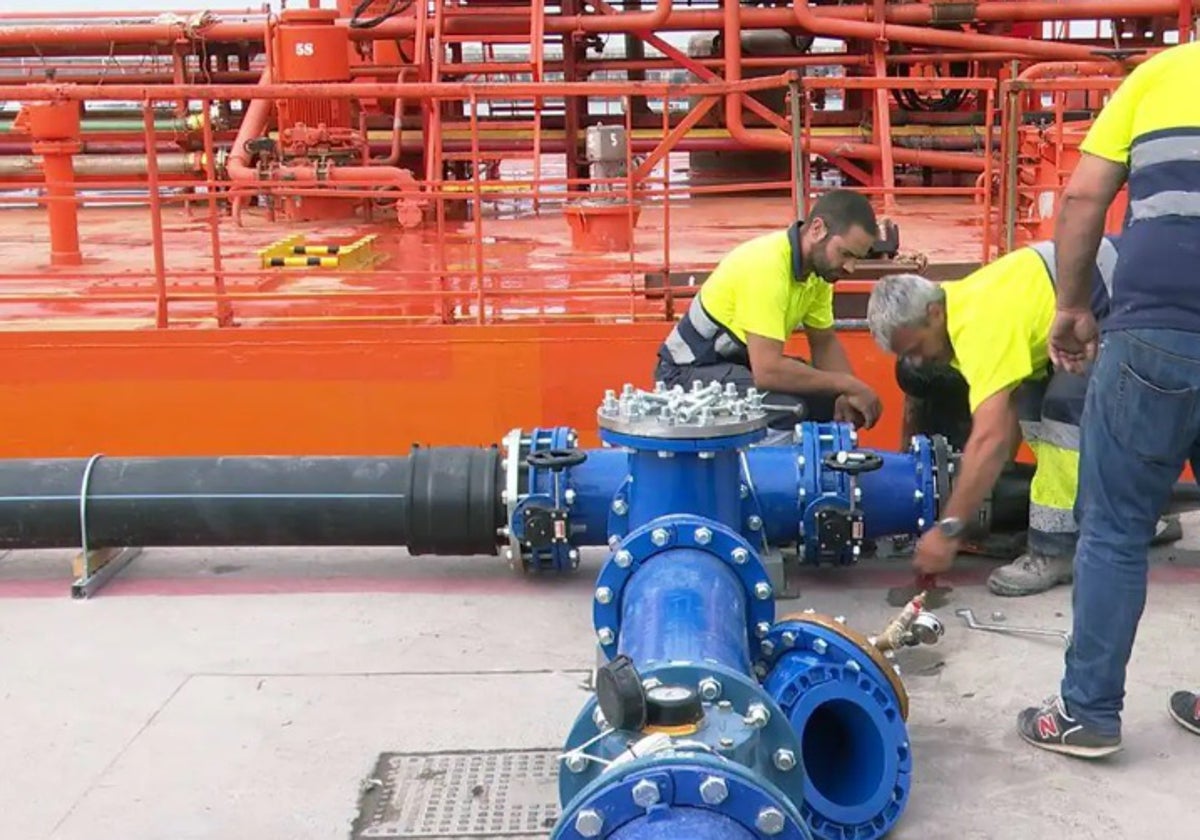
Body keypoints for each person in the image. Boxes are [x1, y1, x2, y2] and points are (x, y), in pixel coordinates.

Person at [1015, 40, 1200, 757]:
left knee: (1117, 528)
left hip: (1158, 326)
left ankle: (1088, 713)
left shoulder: (1160, 73)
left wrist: (1072, 306)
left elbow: (1085, 195)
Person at [866, 242, 1177, 597]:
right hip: (1094, 302)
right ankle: (1131, 521)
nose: (917, 362)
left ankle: (1055, 551)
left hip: (1131, 303)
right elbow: (1007, 419)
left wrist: (950, 529)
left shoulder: (979, 324)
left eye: (916, 349)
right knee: (1033, 406)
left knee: (1065, 414)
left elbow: (990, 438)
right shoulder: (959, 305)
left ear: (934, 313)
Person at [653, 189, 885, 435]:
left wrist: (846, 396)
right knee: (789, 409)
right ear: (817, 229)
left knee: (829, 402)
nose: (850, 267)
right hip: (685, 373)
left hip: (736, 366)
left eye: (856, 259)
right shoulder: (768, 266)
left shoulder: (817, 275)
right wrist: (847, 384)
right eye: (846, 254)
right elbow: (768, 371)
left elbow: (824, 341)